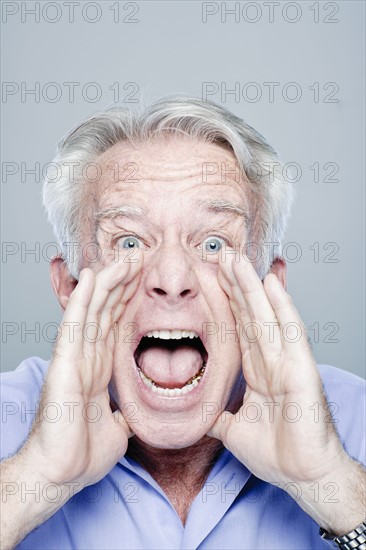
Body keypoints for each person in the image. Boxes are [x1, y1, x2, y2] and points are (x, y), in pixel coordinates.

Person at [1, 97, 365, 550]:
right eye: (129, 241)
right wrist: (36, 477)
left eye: (214, 244)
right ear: (71, 287)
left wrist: (330, 483)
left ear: (269, 289)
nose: (172, 281)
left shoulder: (355, 422)